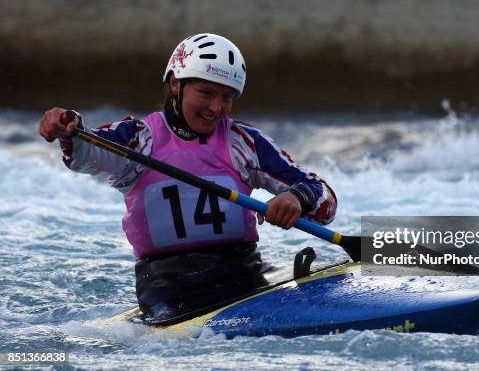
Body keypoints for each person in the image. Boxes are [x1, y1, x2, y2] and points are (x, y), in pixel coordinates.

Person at [38, 33, 337, 322]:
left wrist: (297, 197)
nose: (216, 108)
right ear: (175, 85)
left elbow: (323, 198)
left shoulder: (243, 142)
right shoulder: (138, 139)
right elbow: (85, 152)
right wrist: (67, 126)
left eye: (227, 97)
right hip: (167, 288)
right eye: (205, 93)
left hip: (245, 273)